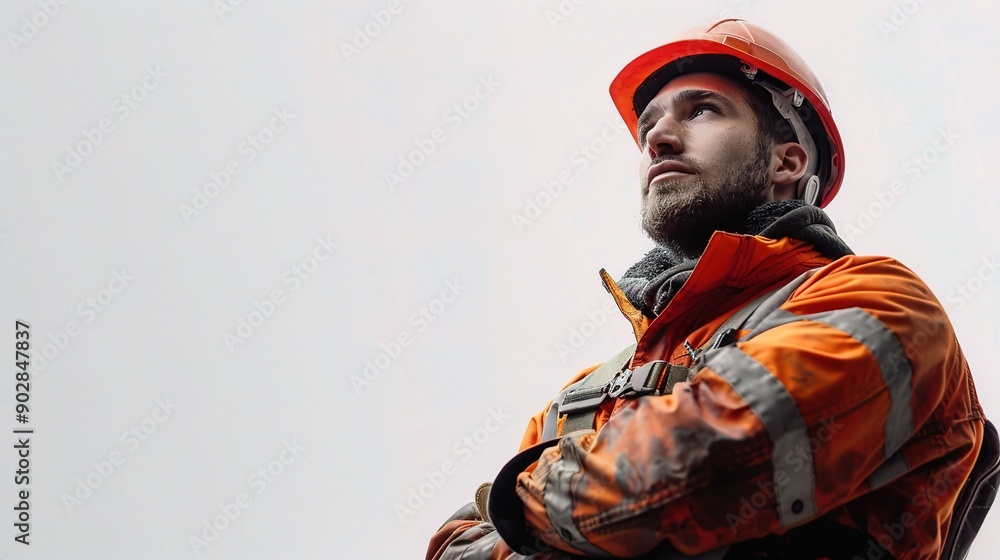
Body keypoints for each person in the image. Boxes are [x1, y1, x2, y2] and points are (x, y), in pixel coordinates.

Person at [426, 19, 995, 560]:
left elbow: (703, 464)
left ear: (787, 161)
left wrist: (526, 506)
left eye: (701, 110)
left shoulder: (879, 299)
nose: (659, 140)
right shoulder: (586, 391)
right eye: (648, 126)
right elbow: (453, 545)